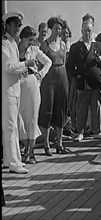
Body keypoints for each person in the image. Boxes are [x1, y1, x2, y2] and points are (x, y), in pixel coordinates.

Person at [2, 11, 37, 173]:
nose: (17, 28)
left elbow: (14, 67)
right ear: (7, 26)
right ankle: (14, 162)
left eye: (19, 25)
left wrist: (23, 69)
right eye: (15, 24)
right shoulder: (4, 44)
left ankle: (10, 160)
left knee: (13, 126)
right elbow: (8, 67)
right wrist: (25, 64)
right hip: (7, 91)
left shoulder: (13, 44)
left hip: (15, 90)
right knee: (10, 127)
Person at [66, 14, 101, 142]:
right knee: (81, 108)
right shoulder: (75, 47)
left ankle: (97, 131)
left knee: (97, 106)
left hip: (95, 81)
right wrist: (76, 74)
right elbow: (69, 65)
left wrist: (100, 60)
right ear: (81, 31)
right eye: (85, 30)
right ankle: (80, 132)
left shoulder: (98, 45)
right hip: (82, 82)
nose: (87, 33)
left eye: (89, 31)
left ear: (92, 31)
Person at [18, 26, 52, 164]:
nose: (31, 43)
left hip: (31, 85)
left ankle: (31, 152)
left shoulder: (34, 50)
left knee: (32, 117)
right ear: (23, 38)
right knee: (19, 118)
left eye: (33, 40)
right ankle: (25, 147)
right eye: (29, 40)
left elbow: (48, 62)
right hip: (17, 85)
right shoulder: (14, 49)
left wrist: (40, 74)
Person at [38, 16, 69, 154]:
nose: (58, 31)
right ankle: (46, 144)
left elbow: (65, 61)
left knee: (60, 109)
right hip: (48, 80)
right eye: (56, 28)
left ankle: (59, 143)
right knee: (47, 109)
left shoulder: (63, 44)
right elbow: (40, 63)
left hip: (62, 78)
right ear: (51, 29)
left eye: (60, 29)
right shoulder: (44, 45)